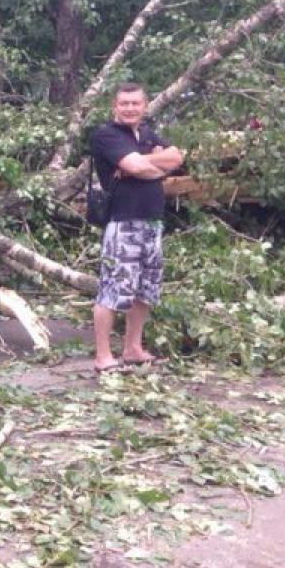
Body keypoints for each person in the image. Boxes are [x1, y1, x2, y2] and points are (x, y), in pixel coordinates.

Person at [89, 83, 184, 373]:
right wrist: (148, 165)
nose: (130, 108)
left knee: (145, 288)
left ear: (145, 106)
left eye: (135, 103)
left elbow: (177, 158)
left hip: (152, 222)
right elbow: (139, 168)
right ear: (114, 107)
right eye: (124, 103)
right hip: (122, 223)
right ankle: (103, 356)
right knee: (112, 288)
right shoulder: (106, 135)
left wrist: (143, 163)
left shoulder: (147, 134)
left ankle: (133, 349)